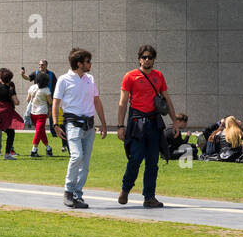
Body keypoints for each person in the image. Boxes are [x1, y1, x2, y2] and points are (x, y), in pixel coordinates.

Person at [115, 45, 177, 208]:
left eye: (150, 57)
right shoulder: (130, 76)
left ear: (154, 59)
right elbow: (122, 103)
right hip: (137, 123)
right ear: (139, 58)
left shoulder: (159, 76)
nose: (147, 60)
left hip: (154, 123)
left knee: (152, 162)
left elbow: (167, 100)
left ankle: (149, 197)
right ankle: (125, 188)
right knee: (135, 158)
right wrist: (120, 126)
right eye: (144, 57)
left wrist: (175, 121)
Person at [52, 48, 108, 209]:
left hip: (89, 126)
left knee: (85, 163)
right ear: (79, 64)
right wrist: (56, 124)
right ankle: (68, 192)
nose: (90, 64)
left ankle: (77, 195)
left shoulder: (90, 78)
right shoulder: (64, 80)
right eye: (88, 61)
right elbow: (56, 103)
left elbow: (96, 101)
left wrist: (103, 123)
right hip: (73, 124)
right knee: (76, 156)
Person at [0, 68, 22, 161]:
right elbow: (16, 102)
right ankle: (7, 154)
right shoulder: (10, 89)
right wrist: (17, 101)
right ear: (10, 79)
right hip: (6, 113)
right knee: (10, 132)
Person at [24, 76, 54, 157]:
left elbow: (27, 100)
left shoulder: (32, 87)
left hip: (33, 112)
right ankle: (34, 150)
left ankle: (48, 148)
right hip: (42, 113)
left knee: (40, 131)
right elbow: (50, 102)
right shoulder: (46, 90)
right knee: (39, 131)